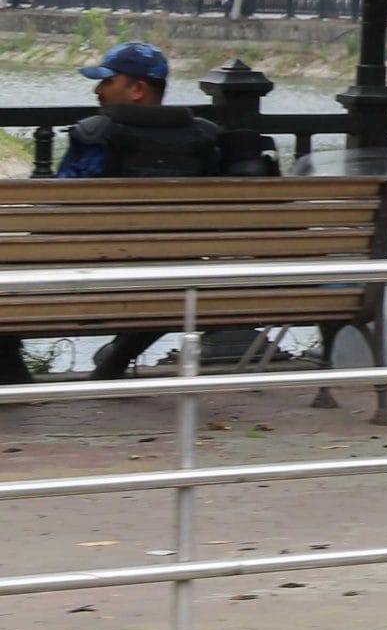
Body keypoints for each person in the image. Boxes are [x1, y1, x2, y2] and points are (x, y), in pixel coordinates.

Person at [0, 42, 223, 386]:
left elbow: (58, 213)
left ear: (137, 89)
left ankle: (15, 379)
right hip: (177, 282)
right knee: (170, 279)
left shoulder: (95, 135)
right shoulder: (206, 139)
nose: (98, 90)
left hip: (88, 275)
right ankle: (115, 361)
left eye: (107, 81)